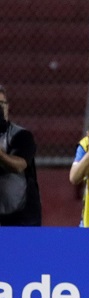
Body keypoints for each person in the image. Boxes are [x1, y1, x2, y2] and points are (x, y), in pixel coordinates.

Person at [0, 84, 42, 226]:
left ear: (7, 106)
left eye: (1, 103)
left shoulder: (21, 135)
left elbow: (19, 165)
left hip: (21, 218)